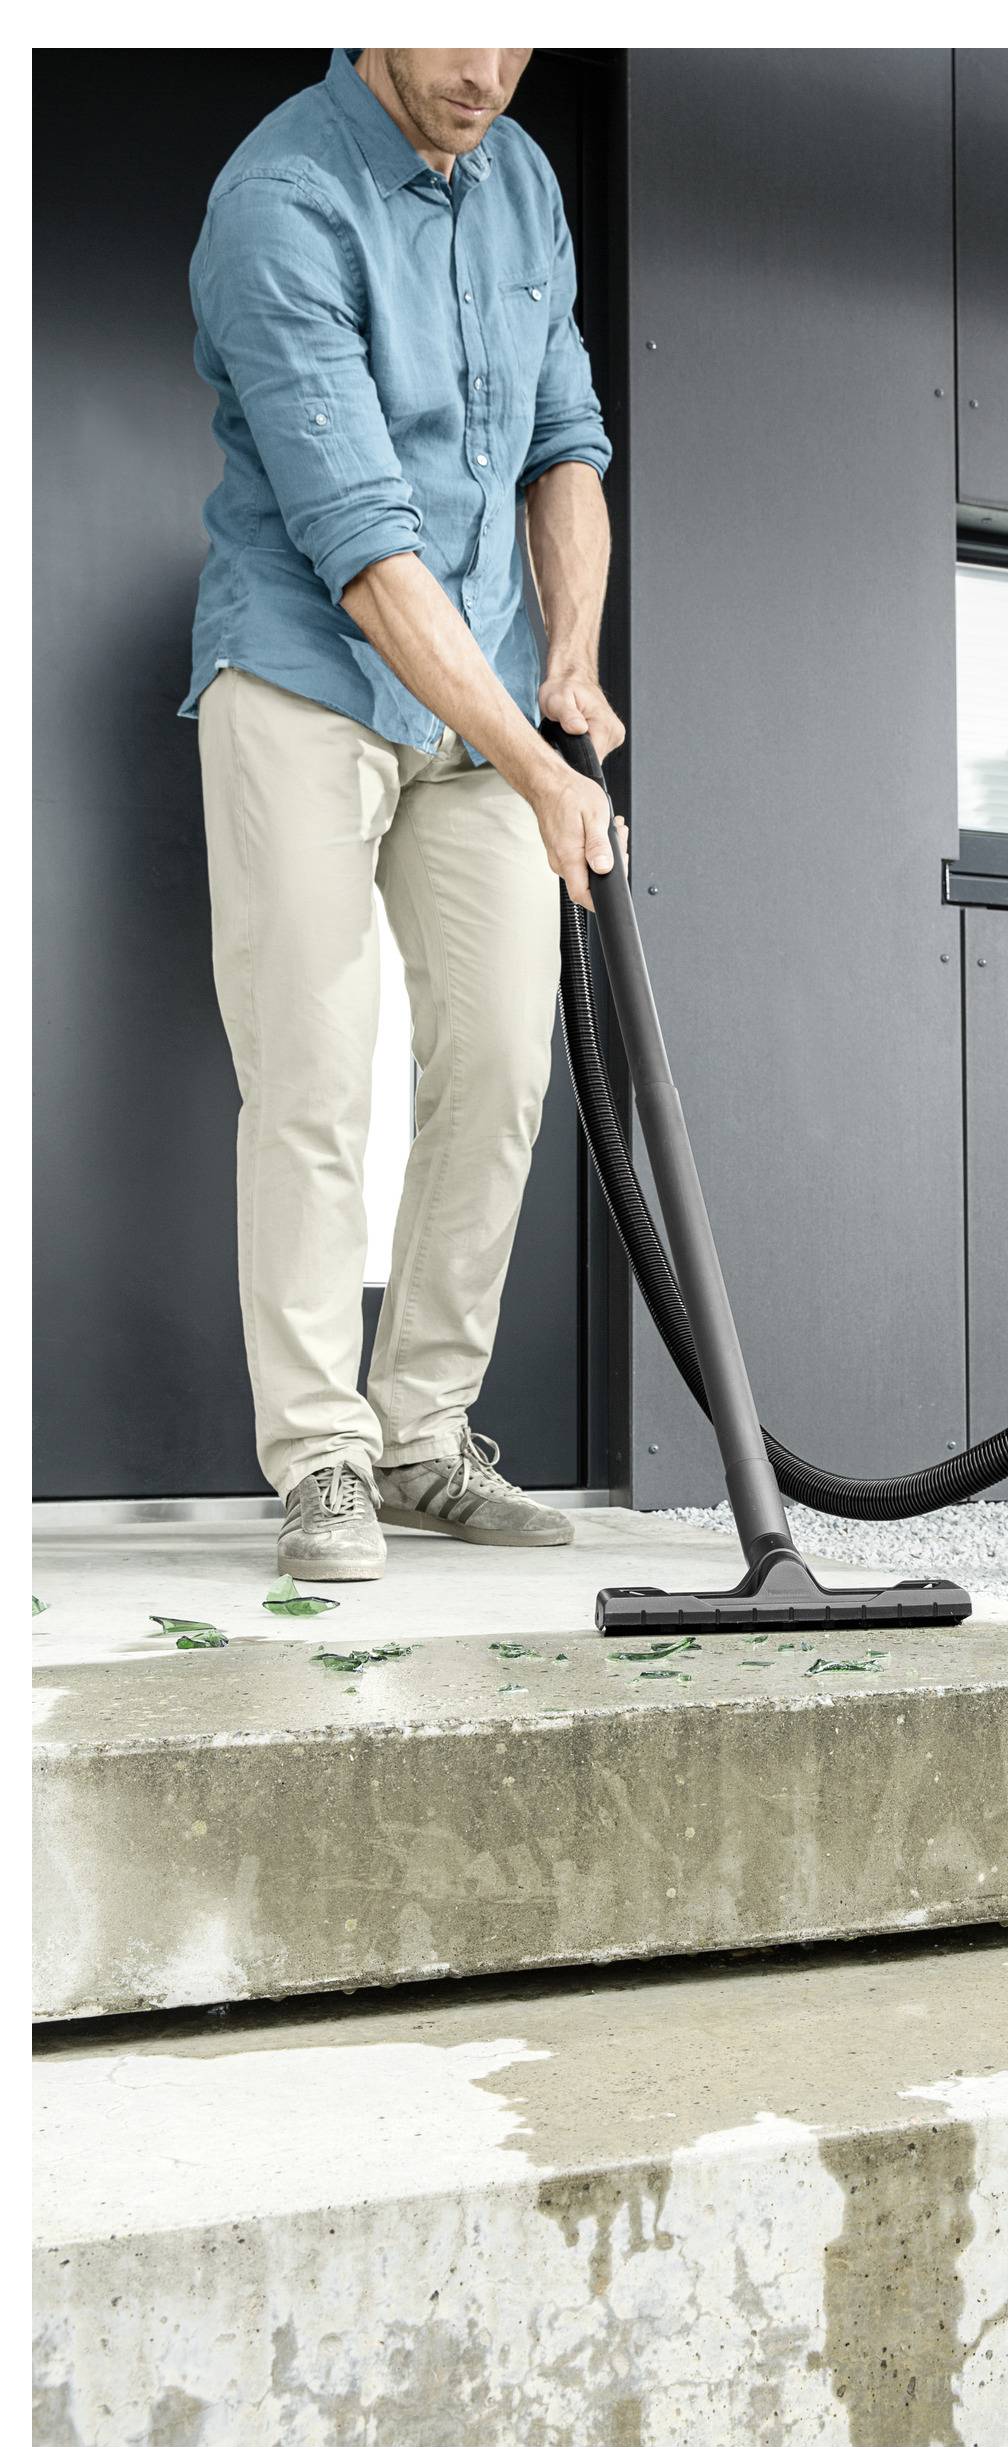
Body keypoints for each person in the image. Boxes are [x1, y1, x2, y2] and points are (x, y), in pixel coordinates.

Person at [181, 48, 626, 1581]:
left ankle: (423, 1435)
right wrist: (538, 757)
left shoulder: (522, 181)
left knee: (501, 1064)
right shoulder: (281, 200)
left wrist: (567, 654)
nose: (485, 72)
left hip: (490, 698)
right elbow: (366, 553)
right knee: (312, 1073)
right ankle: (320, 1460)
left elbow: (567, 442)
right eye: (453, 31)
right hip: (307, 677)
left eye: (517, 34)